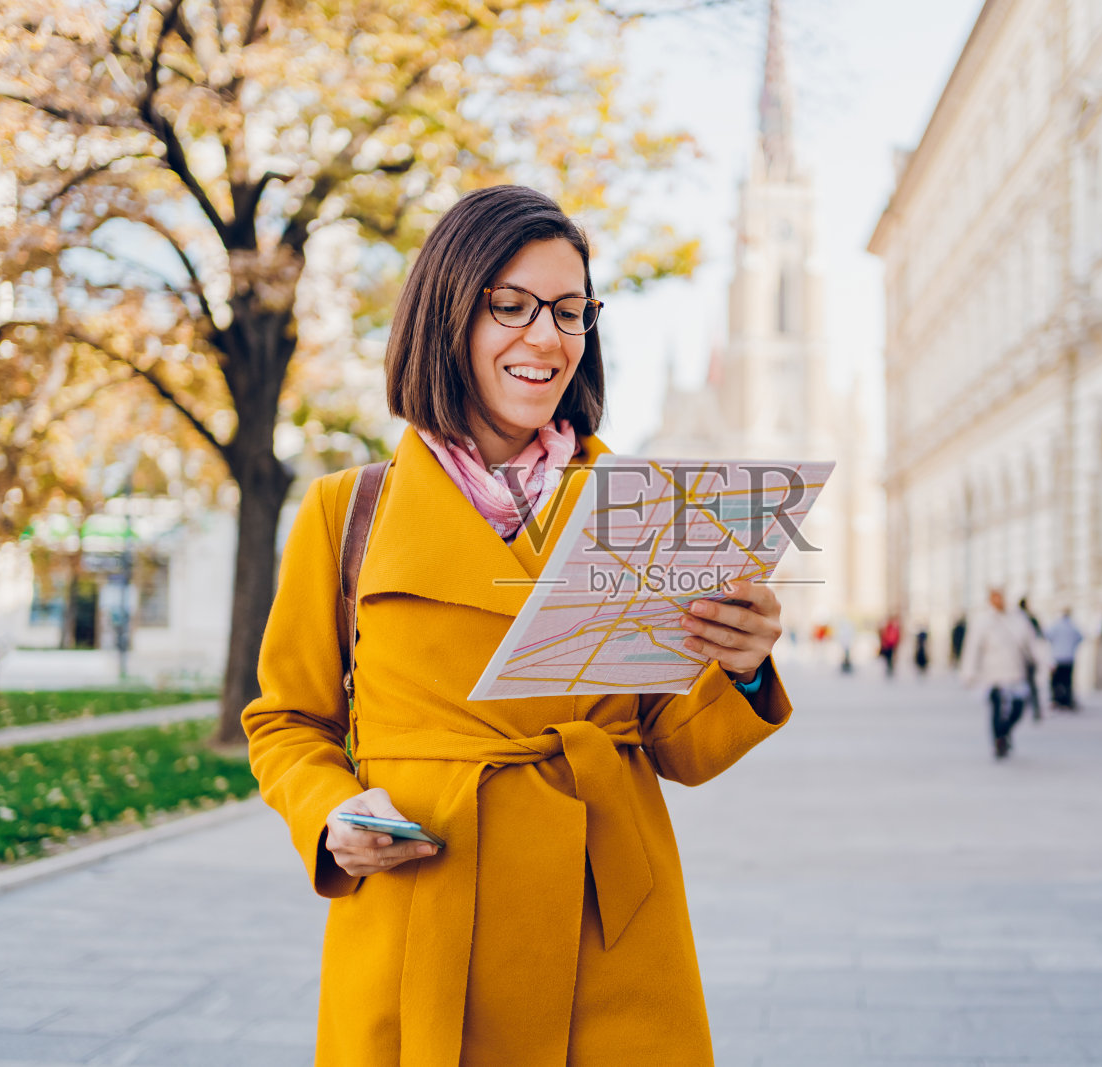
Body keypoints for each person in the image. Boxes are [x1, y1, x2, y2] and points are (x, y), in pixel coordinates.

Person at [242, 185, 792, 1065]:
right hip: (423, 917)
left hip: (608, 931)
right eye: (513, 306)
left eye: (572, 312)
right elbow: (285, 719)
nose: (548, 337)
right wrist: (330, 811)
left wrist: (746, 666)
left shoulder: (640, 509)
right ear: (446, 314)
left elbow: (678, 744)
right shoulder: (349, 513)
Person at [960, 588, 1046, 759]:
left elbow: (1031, 643)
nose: (999, 600)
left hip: (1016, 672)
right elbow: (972, 648)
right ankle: (998, 740)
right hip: (993, 674)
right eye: (995, 597)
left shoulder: (1018, 619)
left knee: (1019, 708)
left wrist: (1044, 662)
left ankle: (1005, 732)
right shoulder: (983, 621)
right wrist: (968, 672)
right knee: (997, 708)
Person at [1046, 608, 1084, 710]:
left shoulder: (1056, 626)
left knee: (1056, 681)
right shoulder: (1073, 626)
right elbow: (1080, 638)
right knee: (1067, 681)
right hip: (1069, 658)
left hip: (1057, 658)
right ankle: (1067, 701)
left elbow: (1047, 636)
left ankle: (1057, 700)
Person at [1017, 597, 1045, 722]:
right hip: (1027, 658)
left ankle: (1029, 709)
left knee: (1020, 685)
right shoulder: (1029, 619)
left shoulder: (1015, 619)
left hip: (1020, 659)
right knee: (1030, 685)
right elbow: (1039, 635)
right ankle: (1035, 710)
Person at [878, 614, 901, 678]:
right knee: (889, 658)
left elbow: (896, 636)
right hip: (889, 645)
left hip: (891, 645)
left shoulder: (893, 628)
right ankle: (889, 668)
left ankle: (890, 668)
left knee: (890, 658)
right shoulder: (889, 628)